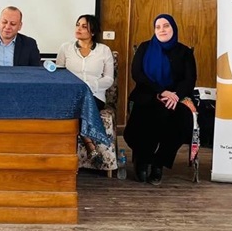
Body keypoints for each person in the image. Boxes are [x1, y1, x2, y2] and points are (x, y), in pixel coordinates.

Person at [123, 14, 197, 185]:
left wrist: (175, 95)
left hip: (175, 97)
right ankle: (143, 159)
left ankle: (159, 162)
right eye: (158, 27)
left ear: (173, 28)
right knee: (148, 115)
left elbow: (189, 79)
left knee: (183, 119)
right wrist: (161, 91)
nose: (162, 30)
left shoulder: (184, 52)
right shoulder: (145, 47)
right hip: (148, 93)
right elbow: (137, 74)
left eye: (166, 26)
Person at [56, 14, 114, 168]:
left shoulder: (104, 50)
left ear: (92, 31)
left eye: (84, 26)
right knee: (74, 105)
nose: (78, 29)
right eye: (77, 25)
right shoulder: (65, 48)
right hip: (70, 95)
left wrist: (88, 85)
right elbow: (59, 74)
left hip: (95, 96)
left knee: (79, 106)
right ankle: (90, 146)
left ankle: (88, 147)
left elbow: (109, 79)